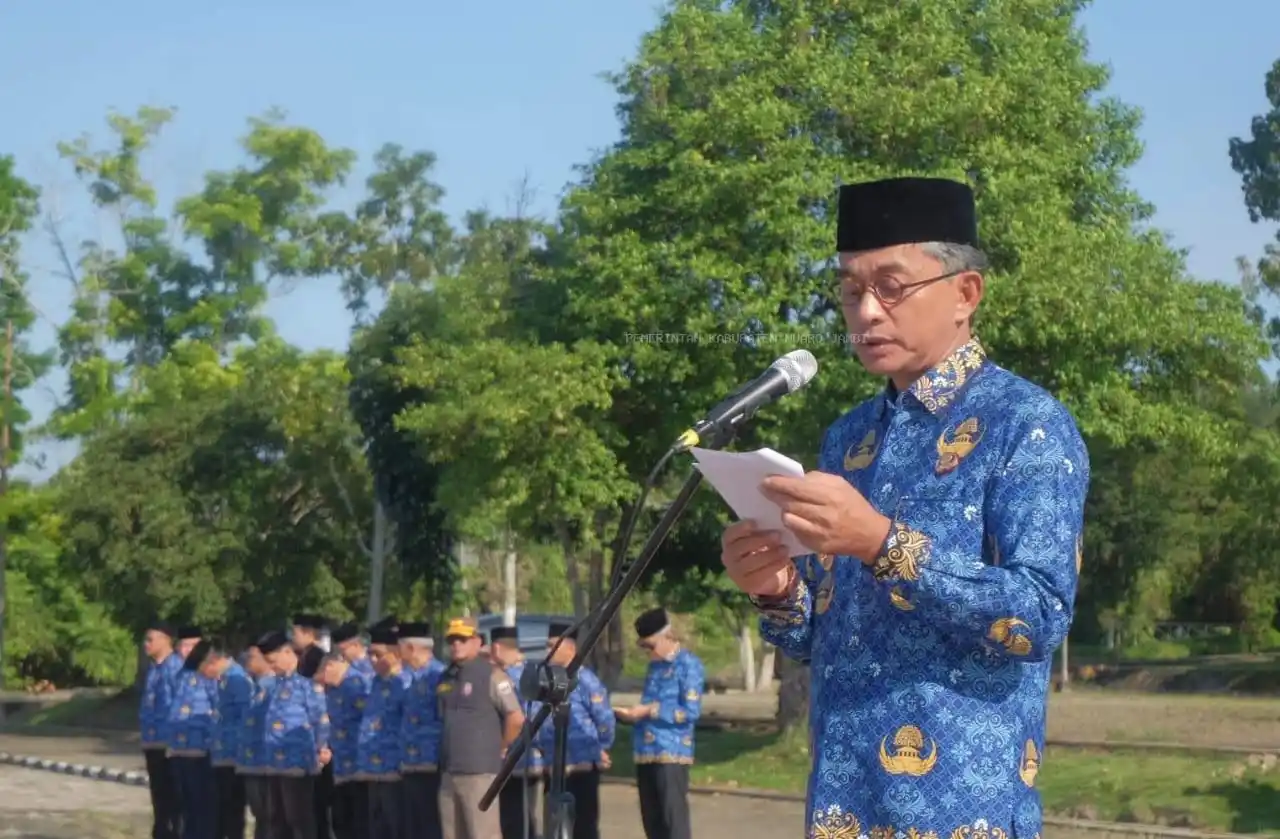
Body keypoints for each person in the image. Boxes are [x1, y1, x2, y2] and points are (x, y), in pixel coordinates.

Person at [722, 177, 1089, 839]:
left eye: (891, 287)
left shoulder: (1026, 425)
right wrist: (776, 590)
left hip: (959, 813)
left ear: (965, 293)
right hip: (845, 804)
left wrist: (882, 544)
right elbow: (823, 636)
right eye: (850, 288)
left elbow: (1038, 614)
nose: (865, 312)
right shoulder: (848, 439)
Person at [618, 609, 703, 839]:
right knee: (652, 820)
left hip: (671, 751)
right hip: (646, 749)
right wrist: (631, 714)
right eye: (643, 647)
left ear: (668, 636)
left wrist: (650, 710)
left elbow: (691, 711)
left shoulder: (688, 665)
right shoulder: (654, 668)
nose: (648, 653)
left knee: (672, 819)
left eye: (651, 646)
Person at [437, 617, 525, 839]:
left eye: (463, 639)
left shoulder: (492, 674)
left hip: (480, 772)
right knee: (452, 834)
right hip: (449, 771)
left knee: (483, 834)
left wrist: (503, 746)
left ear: (477, 641)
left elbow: (515, 717)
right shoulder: (445, 676)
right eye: (453, 640)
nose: (457, 644)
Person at [533, 622, 614, 839]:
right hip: (554, 767)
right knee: (555, 828)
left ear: (570, 648)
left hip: (581, 767)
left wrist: (603, 747)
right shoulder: (548, 681)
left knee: (582, 827)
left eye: (553, 645)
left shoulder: (586, 680)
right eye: (547, 645)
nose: (548, 651)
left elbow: (604, 718)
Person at [258, 630, 332, 839]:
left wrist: (321, 748)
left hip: (298, 763)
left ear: (287, 652)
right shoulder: (273, 686)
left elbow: (321, 720)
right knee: (277, 819)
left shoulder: (307, 685)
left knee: (299, 818)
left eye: (273, 661)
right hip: (274, 763)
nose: (271, 667)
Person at [356, 622, 409, 839]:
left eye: (378, 655)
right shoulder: (375, 682)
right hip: (373, 767)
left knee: (396, 826)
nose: (373, 660)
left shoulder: (406, 682)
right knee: (376, 827)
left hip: (396, 767)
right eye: (370, 655)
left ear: (395, 653)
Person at [488, 627, 542, 839]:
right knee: (527, 818)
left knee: (512, 821)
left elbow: (516, 720)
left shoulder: (504, 678)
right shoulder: (534, 674)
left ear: (497, 648)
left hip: (510, 760)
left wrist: (503, 746)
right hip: (532, 759)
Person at [200, 643, 254, 839]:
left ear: (214, 660)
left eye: (204, 666)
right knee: (221, 809)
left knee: (232, 809)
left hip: (233, 755)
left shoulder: (236, 679)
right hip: (222, 753)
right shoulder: (225, 679)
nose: (204, 673)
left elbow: (244, 718)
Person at [398, 621, 446, 839]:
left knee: (431, 825)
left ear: (410, 648)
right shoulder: (404, 676)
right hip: (408, 762)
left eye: (399, 646)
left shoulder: (440, 676)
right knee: (411, 827)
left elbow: (445, 718)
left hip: (431, 762)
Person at [168, 637, 219, 839]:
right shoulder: (182, 677)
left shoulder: (212, 680)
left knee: (202, 803)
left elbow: (217, 710)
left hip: (201, 749)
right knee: (185, 802)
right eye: (184, 644)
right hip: (178, 748)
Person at [327, 624, 373, 839]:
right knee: (341, 822)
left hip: (361, 759)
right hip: (340, 759)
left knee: (361, 823)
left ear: (356, 645)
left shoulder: (368, 671)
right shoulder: (338, 674)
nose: (341, 657)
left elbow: (371, 713)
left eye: (344, 651)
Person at [140, 621, 185, 839]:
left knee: (174, 800)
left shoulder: (175, 668)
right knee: (159, 800)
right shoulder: (154, 669)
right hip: (153, 742)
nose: (145, 644)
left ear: (166, 640)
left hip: (169, 744)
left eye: (150, 639)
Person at [292, 614, 332, 839]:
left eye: (295, 632)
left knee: (318, 803)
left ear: (308, 633)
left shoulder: (316, 657)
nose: (293, 637)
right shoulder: (305, 656)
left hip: (318, 734)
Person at [237, 644, 276, 839]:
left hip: (267, 763)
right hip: (251, 762)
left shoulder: (274, 687)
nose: (247, 661)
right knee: (260, 817)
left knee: (271, 818)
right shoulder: (253, 686)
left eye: (252, 656)